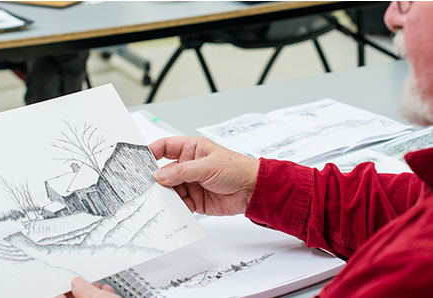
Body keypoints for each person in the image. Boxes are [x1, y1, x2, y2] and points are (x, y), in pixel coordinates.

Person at [64, 1, 433, 297]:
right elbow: (407, 205)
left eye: (411, 1)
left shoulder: (416, 266)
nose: (390, 15)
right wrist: (256, 184)